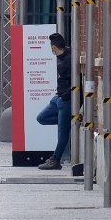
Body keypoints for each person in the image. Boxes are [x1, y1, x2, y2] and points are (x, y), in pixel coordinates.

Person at [36, 33, 71, 170]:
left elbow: (74, 81)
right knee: (41, 118)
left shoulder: (68, 59)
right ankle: (68, 121)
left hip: (65, 99)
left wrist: (65, 96)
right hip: (58, 98)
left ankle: (55, 160)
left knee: (62, 133)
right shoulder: (61, 57)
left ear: (54, 47)